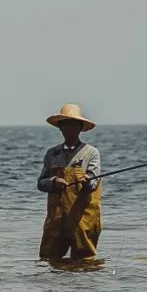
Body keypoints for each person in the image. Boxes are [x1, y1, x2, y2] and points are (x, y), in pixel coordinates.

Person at [37, 103, 102, 261]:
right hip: (56, 219)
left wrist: (86, 182)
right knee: (48, 259)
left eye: (73, 124)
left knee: (85, 261)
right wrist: (53, 181)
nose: (69, 128)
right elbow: (40, 183)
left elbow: (93, 184)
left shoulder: (91, 153)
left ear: (80, 127)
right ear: (60, 127)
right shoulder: (51, 154)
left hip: (83, 219)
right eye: (65, 124)